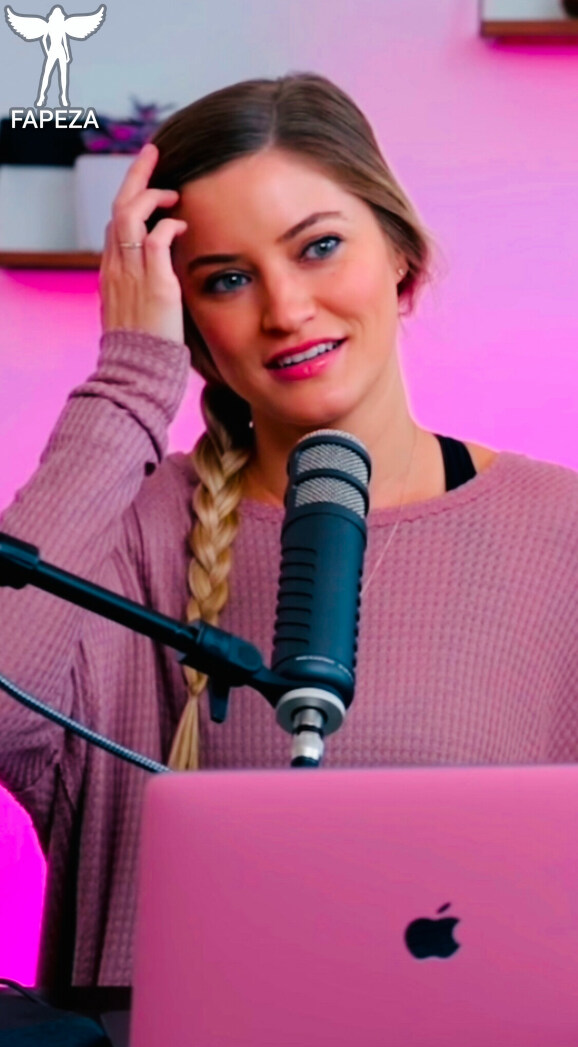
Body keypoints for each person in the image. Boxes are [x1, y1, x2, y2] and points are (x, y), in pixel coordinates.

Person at [0, 72, 577, 989]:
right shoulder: (125, 534)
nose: (285, 310)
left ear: (399, 252)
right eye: (227, 280)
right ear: (191, 322)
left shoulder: (559, 533)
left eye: (319, 248)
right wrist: (129, 379)